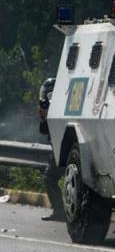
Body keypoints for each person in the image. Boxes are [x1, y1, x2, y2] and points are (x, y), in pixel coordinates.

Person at [38, 78, 65, 221]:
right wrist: (43, 117)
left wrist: (44, 117)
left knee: (50, 177)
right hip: (60, 146)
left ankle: (60, 211)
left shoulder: (55, 105)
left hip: (61, 147)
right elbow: (44, 130)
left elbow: (46, 129)